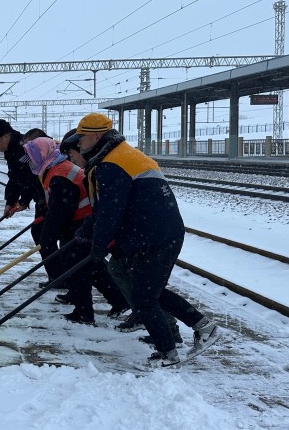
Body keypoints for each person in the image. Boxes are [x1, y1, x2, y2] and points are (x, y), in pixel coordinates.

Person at [66, 112, 221, 367]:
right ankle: (204, 329)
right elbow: (106, 208)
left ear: (96, 136)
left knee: (144, 297)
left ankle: (168, 353)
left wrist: (97, 246)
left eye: (81, 138)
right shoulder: (120, 155)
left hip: (154, 236)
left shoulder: (112, 164)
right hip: (157, 233)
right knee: (151, 293)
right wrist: (86, 233)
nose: (79, 143)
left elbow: (111, 211)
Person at [23, 137, 94, 324]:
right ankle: (85, 302)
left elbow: (61, 210)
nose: (30, 162)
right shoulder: (53, 168)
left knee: (80, 267)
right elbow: (56, 207)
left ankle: (85, 312)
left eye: (32, 157)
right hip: (78, 221)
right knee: (81, 266)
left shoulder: (59, 173)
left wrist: (48, 237)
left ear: (42, 155)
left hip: (82, 222)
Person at [59, 132, 131, 318]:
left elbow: (107, 208)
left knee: (139, 283)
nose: (71, 159)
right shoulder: (91, 170)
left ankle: (158, 325)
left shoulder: (101, 169)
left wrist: (99, 239)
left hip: (128, 232)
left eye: (73, 154)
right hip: (98, 227)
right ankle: (122, 304)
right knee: (100, 268)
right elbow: (99, 207)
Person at [0, 118, 47, 247]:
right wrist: (10, 202)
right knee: (41, 235)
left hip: (48, 196)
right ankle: (60, 266)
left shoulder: (24, 148)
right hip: (43, 197)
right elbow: (15, 178)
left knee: (42, 235)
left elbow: (31, 178)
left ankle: (60, 266)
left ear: (5, 136)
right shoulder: (12, 150)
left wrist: (23, 201)